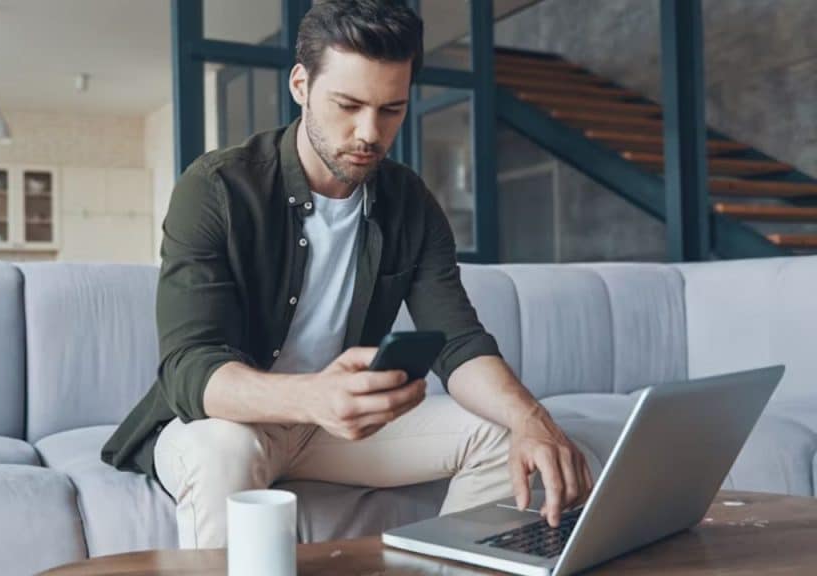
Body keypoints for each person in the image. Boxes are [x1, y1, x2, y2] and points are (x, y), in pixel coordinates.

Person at [102, 0, 592, 549]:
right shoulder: (217, 188)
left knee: (505, 437)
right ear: (301, 85)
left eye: (391, 110)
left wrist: (530, 418)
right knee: (225, 452)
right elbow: (190, 366)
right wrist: (313, 396)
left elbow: (459, 342)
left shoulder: (409, 201)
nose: (369, 133)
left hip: (335, 427)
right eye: (348, 105)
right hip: (229, 420)